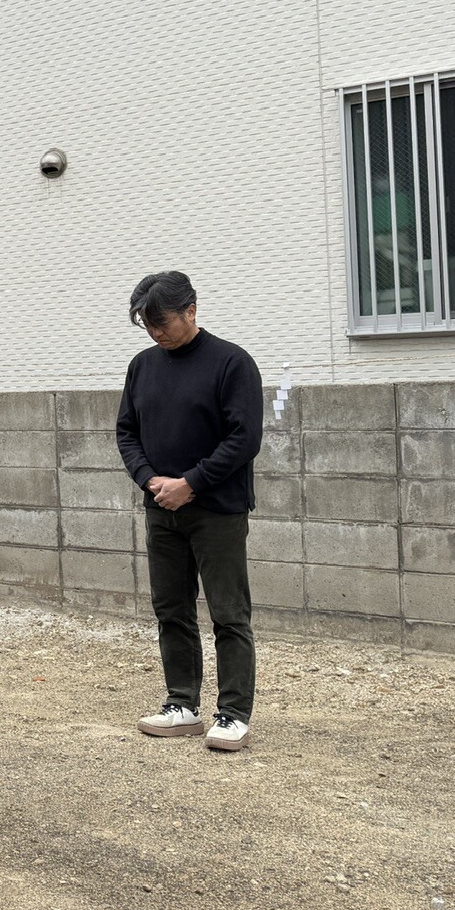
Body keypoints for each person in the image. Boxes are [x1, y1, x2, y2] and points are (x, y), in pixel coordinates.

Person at [114, 271, 263, 753]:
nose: (155, 332)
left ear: (191, 311)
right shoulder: (142, 366)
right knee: (171, 609)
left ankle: (233, 712)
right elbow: (126, 431)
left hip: (217, 509)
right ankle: (181, 703)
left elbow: (245, 438)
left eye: (162, 322)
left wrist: (191, 482)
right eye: (147, 324)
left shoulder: (232, 363)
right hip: (161, 506)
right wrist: (149, 479)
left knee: (228, 612)